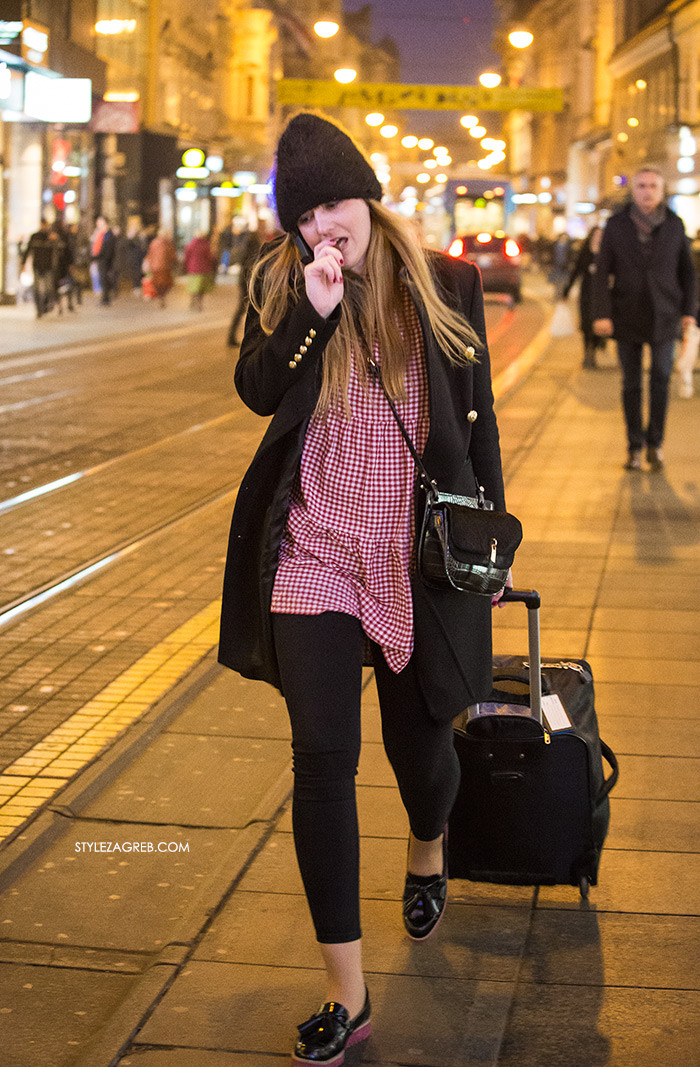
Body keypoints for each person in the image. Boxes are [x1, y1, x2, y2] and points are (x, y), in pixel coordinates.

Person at [218, 112, 510, 1065]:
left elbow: (480, 432)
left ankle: (429, 841)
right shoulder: (284, 283)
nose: (320, 228)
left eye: (333, 206)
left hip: (416, 560)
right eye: (302, 215)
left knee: (420, 750)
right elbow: (258, 390)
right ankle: (347, 992)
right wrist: (311, 310)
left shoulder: (445, 286)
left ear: (368, 199)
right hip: (314, 557)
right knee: (322, 760)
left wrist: (490, 556)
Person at [593, 167, 697, 471]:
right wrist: (601, 314)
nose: (647, 191)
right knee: (632, 384)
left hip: (666, 315)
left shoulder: (675, 225)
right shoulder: (616, 225)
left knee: (661, 379)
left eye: (653, 185)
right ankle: (634, 447)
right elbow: (601, 273)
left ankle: (656, 444)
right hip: (626, 314)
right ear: (633, 190)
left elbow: (688, 274)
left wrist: (689, 312)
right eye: (641, 185)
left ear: (661, 190)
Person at [563, 225, 605, 368]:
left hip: (602, 294)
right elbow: (576, 271)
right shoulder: (585, 252)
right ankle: (588, 353)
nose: (598, 238)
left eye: (601, 235)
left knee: (598, 324)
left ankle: (594, 349)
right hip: (587, 293)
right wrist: (566, 290)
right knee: (586, 323)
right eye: (596, 235)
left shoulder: (607, 252)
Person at [226, 224, 262, 344]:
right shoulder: (255, 253)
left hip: (244, 283)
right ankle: (241, 338)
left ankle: (233, 336)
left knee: (244, 310)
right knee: (251, 311)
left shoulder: (245, 251)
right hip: (249, 284)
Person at [21, 219, 56, 318]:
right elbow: (28, 249)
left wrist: (55, 239)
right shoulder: (35, 236)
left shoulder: (51, 236)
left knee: (48, 289)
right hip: (37, 266)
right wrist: (23, 263)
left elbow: (61, 249)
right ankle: (39, 309)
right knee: (37, 290)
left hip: (48, 267)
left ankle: (45, 306)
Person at [183, 231, 216, 310]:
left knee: (193, 287)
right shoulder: (206, 245)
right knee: (201, 288)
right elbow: (210, 257)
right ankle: (199, 303)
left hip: (193, 269)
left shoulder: (190, 245)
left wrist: (185, 266)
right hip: (204, 269)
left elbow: (187, 257)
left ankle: (193, 303)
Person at [144, 229, 177, 307]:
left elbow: (150, 254)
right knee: (167, 283)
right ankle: (162, 296)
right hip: (165, 266)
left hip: (155, 266)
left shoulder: (154, 242)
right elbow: (172, 255)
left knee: (157, 283)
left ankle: (160, 296)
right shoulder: (168, 243)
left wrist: (149, 263)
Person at [91, 216, 116, 305]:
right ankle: (104, 297)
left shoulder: (108, 234)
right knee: (102, 278)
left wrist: (102, 256)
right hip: (100, 259)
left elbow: (108, 248)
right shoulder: (100, 234)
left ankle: (106, 298)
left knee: (104, 278)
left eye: (100, 222)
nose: (98, 224)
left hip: (105, 259)